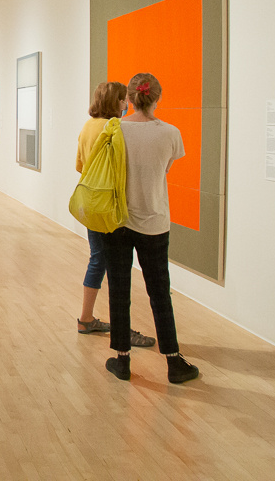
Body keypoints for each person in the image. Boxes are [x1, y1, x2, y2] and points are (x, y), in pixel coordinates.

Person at [104, 73, 199, 384]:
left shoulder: (115, 129)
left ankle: (122, 359)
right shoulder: (171, 133)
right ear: (158, 98)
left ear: (128, 99)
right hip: (155, 223)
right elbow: (164, 169)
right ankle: (173, 361)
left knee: (119, 291)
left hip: (118, 221)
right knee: (160, 292)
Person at [74, 82, 154, 347]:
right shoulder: (113, 128)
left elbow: (80, 166)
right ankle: (121, 328)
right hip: (110, 206)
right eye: (122, 100)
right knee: (116, 269)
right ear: (115, 102)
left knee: (98, 259)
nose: (126, 105)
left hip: (91, 202)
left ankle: (86, 318)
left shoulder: (87, 126)